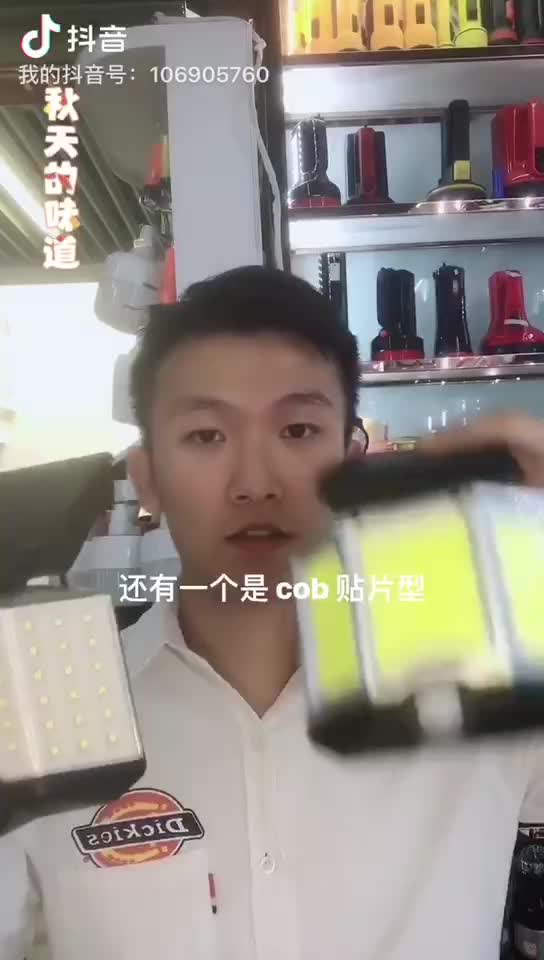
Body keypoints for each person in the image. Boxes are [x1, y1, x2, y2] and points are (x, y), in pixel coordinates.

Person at [2, 264, 544, 960]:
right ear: (147, 479)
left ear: (352, 460)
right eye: (207, 436)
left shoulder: (482, 678)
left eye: (297, 428)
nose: (255, 483)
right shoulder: (49, 719)